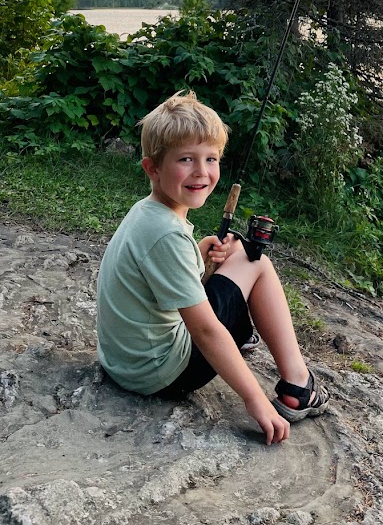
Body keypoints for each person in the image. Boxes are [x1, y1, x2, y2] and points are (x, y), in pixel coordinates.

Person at [96, 90, 329, 445]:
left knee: (234, 251)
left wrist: (198, 250)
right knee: (256, 262)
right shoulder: (167, 235)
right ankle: (298, 383)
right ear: (152, 168)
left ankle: (247, 336)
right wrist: (253, 398)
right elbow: (204, 331)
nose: (202, 172)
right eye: (186, 159)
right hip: (161, 374)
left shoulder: (147, 213)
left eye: (211, 159)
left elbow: (157, 279)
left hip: (124, 364)